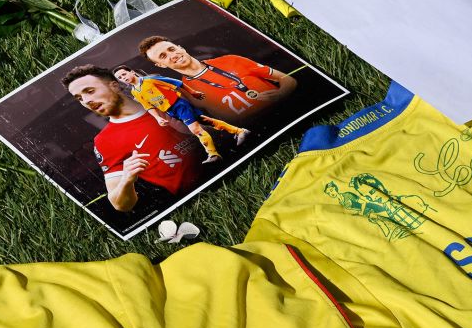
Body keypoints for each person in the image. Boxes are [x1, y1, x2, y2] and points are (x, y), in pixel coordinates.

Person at [61, 64, 205, 213]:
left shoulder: (161, 100)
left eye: (90, 91)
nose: (86, 100)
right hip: (199, 199)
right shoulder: (105, 141)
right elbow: (120, 204)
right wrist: (127, 180)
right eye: (79, 98)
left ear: (115, 86)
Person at [138, 36, 297, 122]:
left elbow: (287, 79)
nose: (173, 56)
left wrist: (282, 92)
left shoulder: (230, 59)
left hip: (289, 110)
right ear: (160, 65)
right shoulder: (184, 93)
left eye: (171, 49)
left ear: (181, 48)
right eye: (163, 56)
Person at [111, 65, 249, 163]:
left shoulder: (149, 80)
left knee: (195, 129)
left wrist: (193, 92)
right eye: (120, 78)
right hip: (171, 111)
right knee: (206, 120)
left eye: (124, 74)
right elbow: (148, 106)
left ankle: (213, 154)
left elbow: (175, 82)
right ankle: (239, 131)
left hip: (179, 104)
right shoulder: (135, 92)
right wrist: (158, 118)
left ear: (132, 72)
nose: (123, 78)